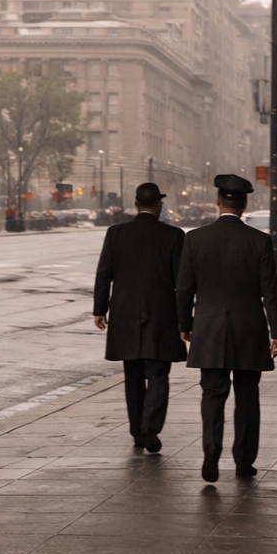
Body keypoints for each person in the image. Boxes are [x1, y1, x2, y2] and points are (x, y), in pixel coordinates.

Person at [177, 173, 277, 482]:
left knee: (212, 393)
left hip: (209, 328)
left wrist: (185, 324)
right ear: (245, 203)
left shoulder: (194, 238)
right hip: (249, 328)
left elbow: (184, 289)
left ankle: (212, 449)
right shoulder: (259, 240)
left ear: (217, 201)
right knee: (248, 396)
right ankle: (244, 461)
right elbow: (270, 291)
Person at [93, 182, 187, 453]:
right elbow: (182, 283)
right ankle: (150, 427)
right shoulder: (174, 235)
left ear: (136, 204)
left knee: (132, 373)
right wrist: (185, 321)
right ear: (159, 204)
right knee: (158, 372)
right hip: (161, 313)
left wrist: (100, 309)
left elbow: (104, 273)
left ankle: (137, 430)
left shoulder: (116, 233)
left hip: (124, 313)